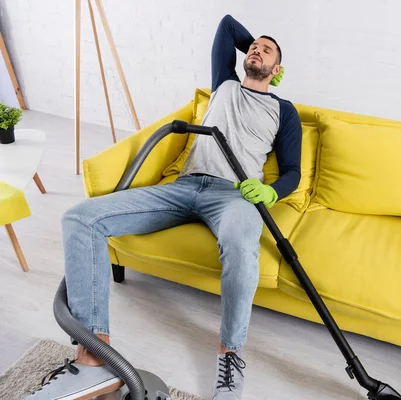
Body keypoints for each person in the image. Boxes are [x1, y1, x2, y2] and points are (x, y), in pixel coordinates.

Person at [28, 14, 301, 400]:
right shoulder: (223, 83)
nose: (256, 48)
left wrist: (271, 192)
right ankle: (94, 356)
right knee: (79, 217)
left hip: (234, 196)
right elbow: (225, 25)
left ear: (278, 69)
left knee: (242, 250)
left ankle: (230, 354)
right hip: (183, 186)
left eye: (267, 49)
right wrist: (256, 46)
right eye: (254, 46)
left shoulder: (283, 109)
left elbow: (293, 171)